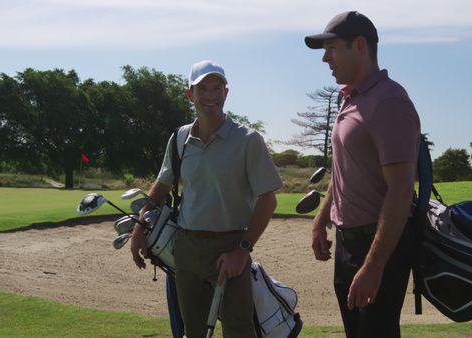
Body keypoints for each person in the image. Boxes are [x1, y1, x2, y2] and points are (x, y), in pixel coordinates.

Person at [130, 60, 282, 338]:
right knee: (194, 331)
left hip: (231, 246)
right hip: (186, 248)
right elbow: (162, 186)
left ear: (226, 93)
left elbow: (268, 200)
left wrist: (243, 249)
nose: (211, 95)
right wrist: (139, 229)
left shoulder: (248, 139)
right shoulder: (179, 138)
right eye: (203, 89)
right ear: (190, 94)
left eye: (217, 88)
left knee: (239, 331)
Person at [304, 11, 421, 338]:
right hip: (348, 243)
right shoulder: (351, 99)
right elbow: (345, 168)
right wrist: (321, 218)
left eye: (331, 48)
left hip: (379, 245)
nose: (326, 58)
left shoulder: (389, 102)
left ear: (359, 46)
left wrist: (374, 266)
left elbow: (400, 190)